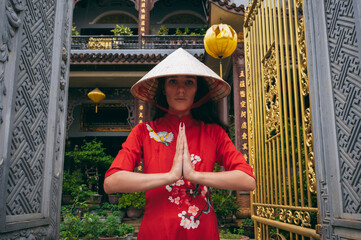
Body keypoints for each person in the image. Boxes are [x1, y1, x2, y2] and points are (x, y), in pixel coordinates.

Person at [104, 48, 256, 240]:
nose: (181, 89)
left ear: (197, 90)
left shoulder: (213, 133)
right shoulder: (144, 132)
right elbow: (111, 182)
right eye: (173, 81)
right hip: (156, 232)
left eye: (189, 82)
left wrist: (194, 175)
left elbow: (247, 180)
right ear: (163, 88)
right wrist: (171, 176)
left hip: (202, 233)